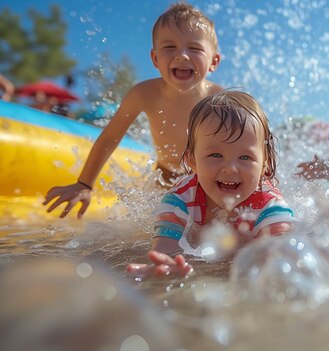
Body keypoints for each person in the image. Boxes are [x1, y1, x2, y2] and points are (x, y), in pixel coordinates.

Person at [43, 2, 222, 218]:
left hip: (208, 177)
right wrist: (84, 184)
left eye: (194, 48)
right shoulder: (143, 94)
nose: (182, 55)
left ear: (213, 61)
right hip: (165, 177)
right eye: (169, 47)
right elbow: (110, 137)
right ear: (155, 58)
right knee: (153, 229)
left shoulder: (219, 100)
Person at [127, 90, 295, 278]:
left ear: (265, 165)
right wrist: (168, 265)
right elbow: (165, 252)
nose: (230, 168)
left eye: (245, 157)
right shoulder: (179, 200)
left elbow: (281, 264)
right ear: (192, 160)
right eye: (215, 155)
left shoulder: (270, 208)